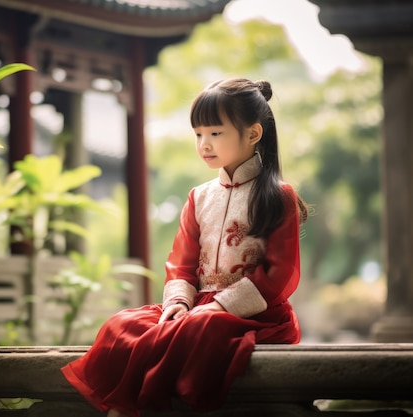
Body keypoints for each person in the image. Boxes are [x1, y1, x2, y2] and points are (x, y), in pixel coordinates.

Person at [61, 78, 308, 417]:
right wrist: (178, 303)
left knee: (201, 328)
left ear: (253, 134)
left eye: (215, 133)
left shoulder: (279, 197)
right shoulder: (199, 196)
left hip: (253, 315)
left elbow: (279, 274)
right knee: (124, 324)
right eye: (198, 134)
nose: (204, 144)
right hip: (198, 308)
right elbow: (181, 263)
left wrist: (219, 307)